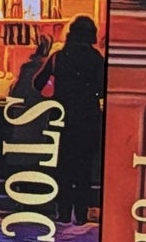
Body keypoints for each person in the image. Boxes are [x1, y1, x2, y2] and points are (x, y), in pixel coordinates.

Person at [16, 15, 107, 225]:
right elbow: (103, 89)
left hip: (61, 117)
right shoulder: (96, 59)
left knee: (62, 167)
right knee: (84, 169)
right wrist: (89, 94)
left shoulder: (59, 57)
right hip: (88, 118)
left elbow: (38, 83)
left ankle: (63, 213)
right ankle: (81, 215)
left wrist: (55, 91)